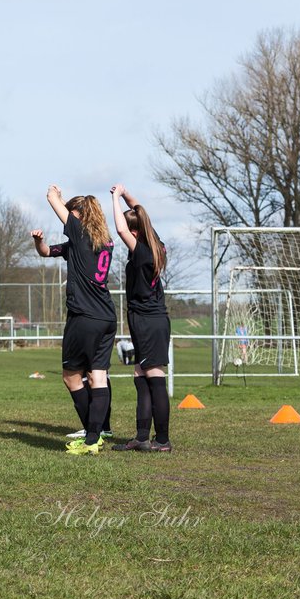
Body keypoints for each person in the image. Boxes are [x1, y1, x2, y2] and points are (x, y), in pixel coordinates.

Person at [32, 186, 116, 452]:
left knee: (71, 377)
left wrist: (54, 192)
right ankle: (98, 434)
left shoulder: (80, 234)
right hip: (106, 316)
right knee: (98, 377)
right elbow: (46, 252)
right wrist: (38, 242)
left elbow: (51, 200)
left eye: (72, 214)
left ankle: (92, 435)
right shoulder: (101, 241)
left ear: (79, 215)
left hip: (85, 317)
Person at [109, 184, 172, 453]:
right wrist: (125, 195)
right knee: (140, 374)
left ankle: (163, 440)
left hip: (147, 321)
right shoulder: (155, 243)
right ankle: (142, 437)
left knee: (154, 374)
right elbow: (140, 213)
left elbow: (122, 229)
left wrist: (113, 198)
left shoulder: (143, 251)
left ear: (135, 233)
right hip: (149, 320)